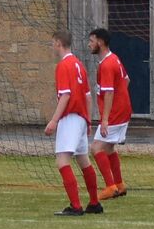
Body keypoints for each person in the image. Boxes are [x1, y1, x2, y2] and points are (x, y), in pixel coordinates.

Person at [44, 32, 103, 216]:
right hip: (81, 118)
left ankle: (76, 206)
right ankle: (94, 203)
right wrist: (88, 121)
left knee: (62, 161)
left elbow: (66, 95)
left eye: (53, 43)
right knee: (83, 160)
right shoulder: (79, 65)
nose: (52, 47)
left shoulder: (63, 66)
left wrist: (54, 120)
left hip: (69, 118)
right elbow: (87, 96)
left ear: (59, 44)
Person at [87, 27, 133, 200]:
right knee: (109, 148)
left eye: (91, 41)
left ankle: (110, 186)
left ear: (100, 42)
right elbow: (126, 80)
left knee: (96, 148)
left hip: (114, 114)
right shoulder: (115, 59)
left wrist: (105, 119)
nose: (89, 44)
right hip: (122, 110)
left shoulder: (107, 64)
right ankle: (119, 185)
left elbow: (109, 92)